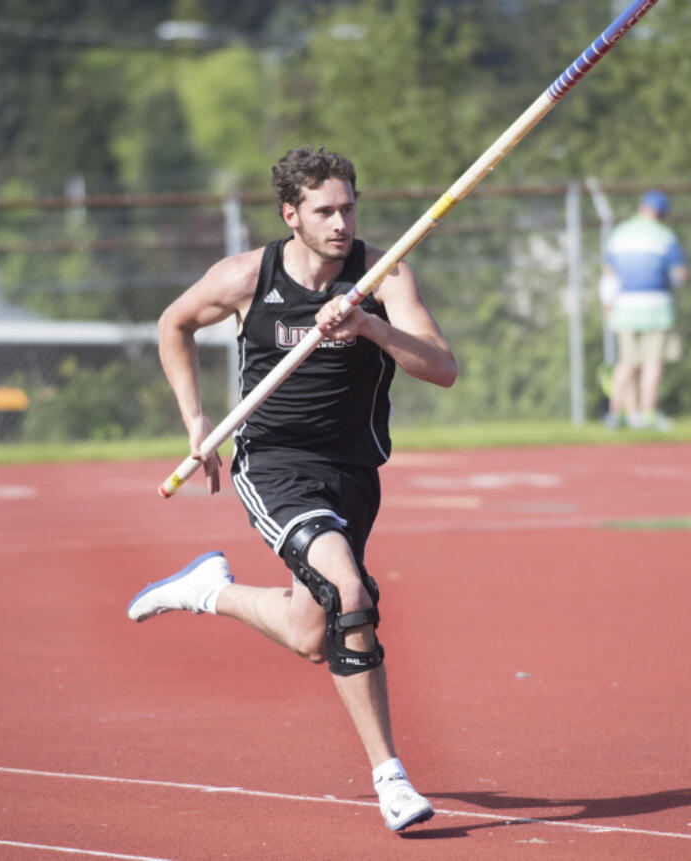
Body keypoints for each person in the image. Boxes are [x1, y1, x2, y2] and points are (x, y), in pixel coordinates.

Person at [126, 146, 457, 832]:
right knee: (351, 593)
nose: (341, 223)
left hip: (353, 473)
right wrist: (195, 420)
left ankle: (205, 589)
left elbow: (442, 367)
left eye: (349, 207)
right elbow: (173, 324)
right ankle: (390, 776)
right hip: (273, 463)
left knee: (314, 633)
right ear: (291, 215)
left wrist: (368, 323)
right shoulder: (250, 275)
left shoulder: (382, 274)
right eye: (324, 211)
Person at [600, 189, 687, 431]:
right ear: (661, 214)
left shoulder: (619, 234)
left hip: (624, 306)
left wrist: (608, 307)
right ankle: (647, 414)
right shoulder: (664, 236)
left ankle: (617, 413)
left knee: (626, 363)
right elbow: (679, 276)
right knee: (652, 363)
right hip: (657, 307)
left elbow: (609, 277)